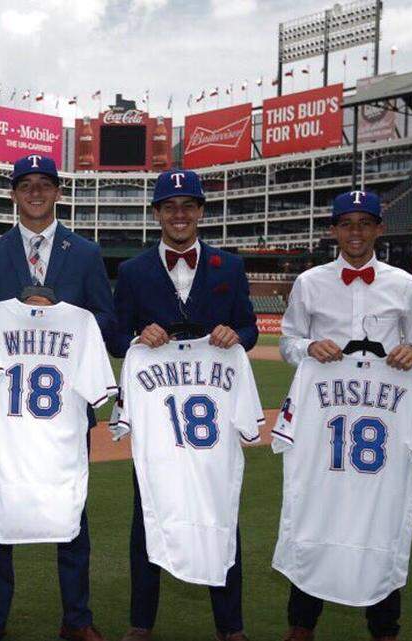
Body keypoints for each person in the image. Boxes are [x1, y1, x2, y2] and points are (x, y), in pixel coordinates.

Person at [0, 154, 116, 641]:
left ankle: (78, 619)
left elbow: (107, 327)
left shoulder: (86, 253)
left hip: (64, 412)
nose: (34, 192)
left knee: (73, 510)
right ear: (13, 193)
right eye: (25, 185)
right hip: (7, 413)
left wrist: (60, 311)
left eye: (43, 184)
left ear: (57, 191)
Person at [276, 189, 412, 641]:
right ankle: (301, 625)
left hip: (381, 433)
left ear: (379, 229)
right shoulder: (310, 283)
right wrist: (308, 346)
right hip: (325, 431)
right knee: (316, 515)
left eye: (364, 223)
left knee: (380, 522)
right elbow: (288, 342)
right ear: (333, 230)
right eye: (346, 223)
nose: (355, 232)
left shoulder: (403, 285)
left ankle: (385, 628)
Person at [106, 169, 258, 641]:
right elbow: (114, 336)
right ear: (157, 214)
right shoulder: (132, 272)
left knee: (221, 513)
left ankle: (229, 625)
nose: (179, 214)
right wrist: (137, 335)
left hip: (209, 420)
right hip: (158, 419)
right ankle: (141, 622)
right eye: (170, 207)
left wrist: (237, 335)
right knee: (148, 512)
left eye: (188, 205)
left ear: (200, 212)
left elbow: (249, 329)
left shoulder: (229, 267)